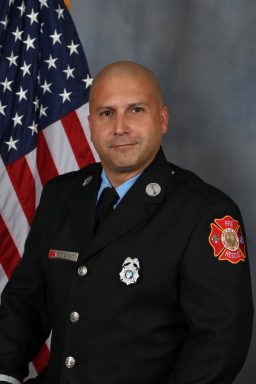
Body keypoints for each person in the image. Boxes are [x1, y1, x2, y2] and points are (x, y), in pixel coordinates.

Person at [0, 61, 253, 384]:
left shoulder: (206, 214)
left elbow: (219, 342)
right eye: (106, 113)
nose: (120, 127)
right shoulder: (60, 197)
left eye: (135, 110)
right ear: (90, 124)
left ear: (162, 120)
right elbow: (25, 302)